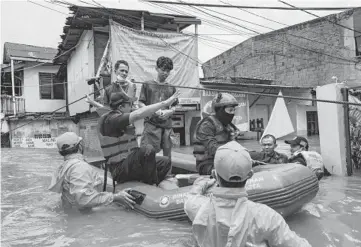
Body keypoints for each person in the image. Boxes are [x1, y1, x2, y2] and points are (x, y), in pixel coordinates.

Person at [184, 141, 312, 247]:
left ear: (215, 175)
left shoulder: (197, 207)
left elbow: (191, 197)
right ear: (250, 175)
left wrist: (199, 185)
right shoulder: (266, 216)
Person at [98, 90, 180, 188]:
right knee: (147, 149)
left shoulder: (118, 118)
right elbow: (138, 114)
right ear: (121, 107)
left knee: (165, 162)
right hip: (119, 170)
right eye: (130, 105)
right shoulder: (112, 120)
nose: (132, 107)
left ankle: (149, 183)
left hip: (129, 164)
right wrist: (165, 103)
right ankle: (151, 185)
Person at [48, 132, 137, 211]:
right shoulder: (80, 167)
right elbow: (83, 200)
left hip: (72, 215)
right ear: (79, 146)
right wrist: (115, 197)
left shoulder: (65, 166)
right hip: (82, 220)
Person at [193, 92, 244, 175]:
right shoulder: (206, 125)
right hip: (207, 164)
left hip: (228, 159)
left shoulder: (228, 126)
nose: (232, 113)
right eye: (230, 110)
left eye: (234, 110)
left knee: (256, 157)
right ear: (220, 110)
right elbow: (213, 149)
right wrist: (238, 154)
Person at [138, 56, 178, 160]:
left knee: (167, 155)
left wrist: (169, 112)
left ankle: (168, 175)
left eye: (168, 71)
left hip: (167, 126)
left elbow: (176, 105)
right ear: (156, 68)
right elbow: (140, 103)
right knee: (148, 154)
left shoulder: (171, 87)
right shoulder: (147, 84)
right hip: (151, 125)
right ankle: (149, 176)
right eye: (163, 70)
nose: (165, 73)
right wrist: (152, 111)